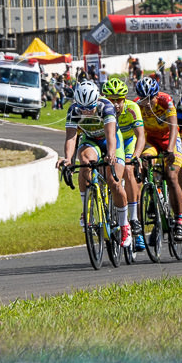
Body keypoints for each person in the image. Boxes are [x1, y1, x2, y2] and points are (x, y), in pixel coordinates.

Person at [56, 81, 133, 248]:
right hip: (90, 139)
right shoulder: (74, 110)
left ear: (96, 100)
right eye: (83, 108)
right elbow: (71, 137)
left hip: (110, 140)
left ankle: (124, 224)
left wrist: (111, 154)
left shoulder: (106, 107)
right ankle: (86, 210)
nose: (86, 112)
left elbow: (111, 134)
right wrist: (68, 159)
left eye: (90, 107)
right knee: (83, 162)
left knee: (114, 181)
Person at [135, 76, 182, 242]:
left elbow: (174, 128)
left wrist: (171, 149)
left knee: (172, 177)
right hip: (151, 141)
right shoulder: (137, 105)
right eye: (143, 99)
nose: (147, 103)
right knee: (146, 163)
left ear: (156, 95)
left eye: (150, 98)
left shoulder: (166, 101)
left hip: (170, 139)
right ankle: (152, 195)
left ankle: (179, 220)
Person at [102, 78, 146, 251]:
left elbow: (140, 136)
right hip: (111, 142)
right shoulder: (103, 109)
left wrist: (136, 156)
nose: (116, 104)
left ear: (125, 98)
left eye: (119, 100)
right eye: (112, 100)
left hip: (129, 141)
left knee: (128, 169)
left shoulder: (132, 108)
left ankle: (134, 219)